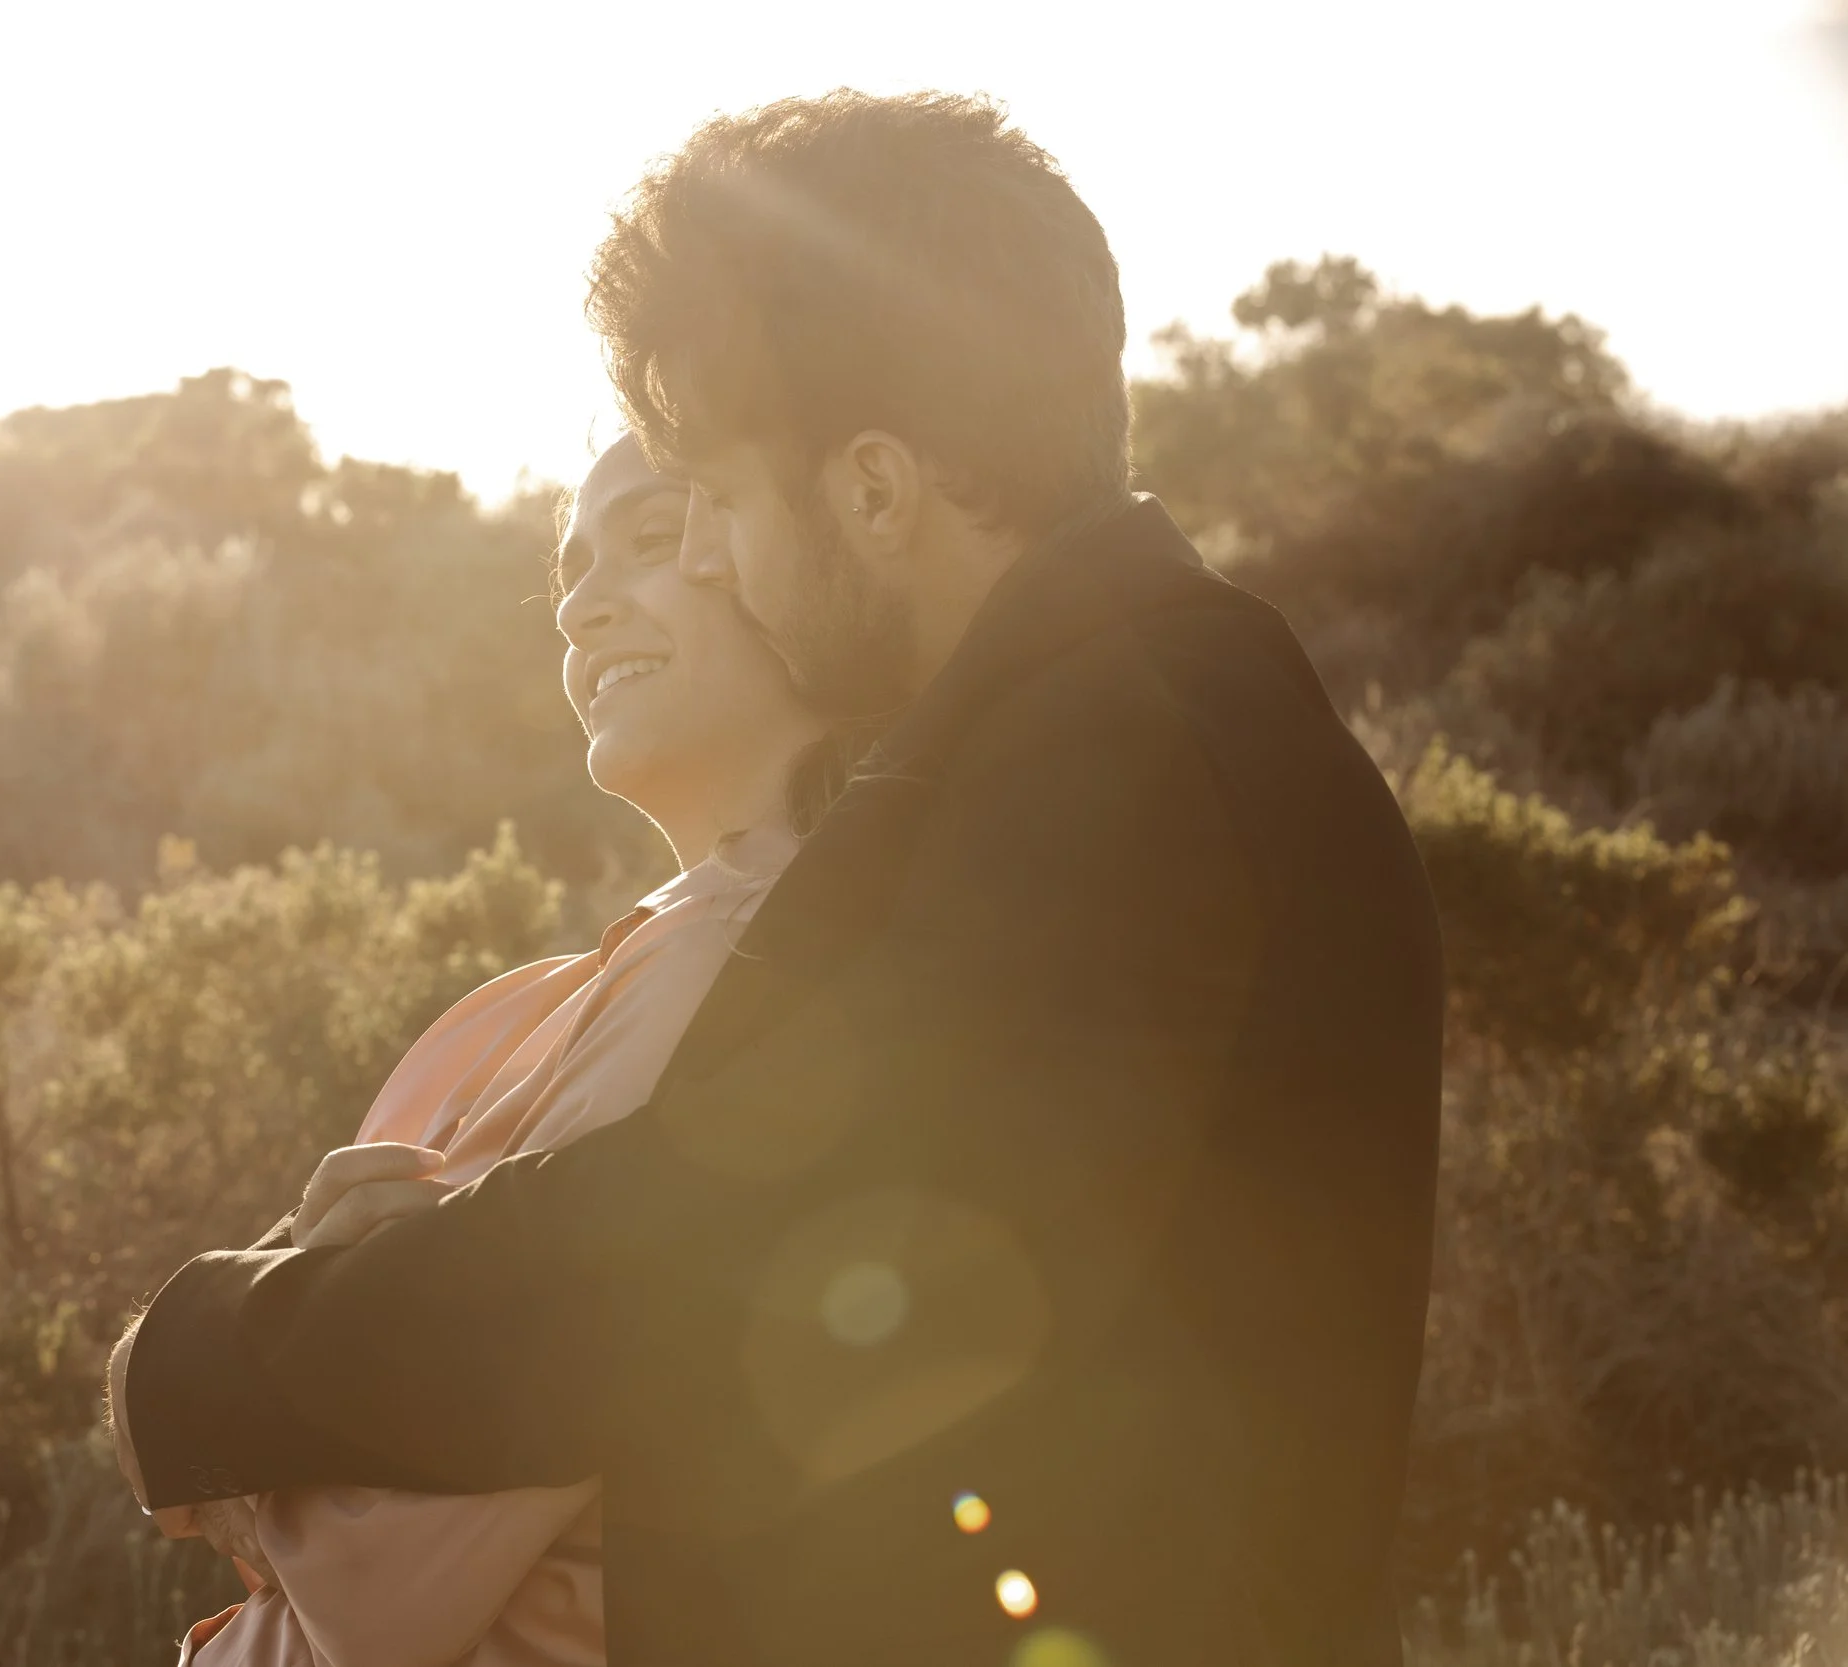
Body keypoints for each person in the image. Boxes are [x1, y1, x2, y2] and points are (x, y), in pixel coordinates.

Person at [115, 89, 1445, 1667]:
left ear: (875, 488)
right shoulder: (1093, 725)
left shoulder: (1137, 755)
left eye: (726, 502)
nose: (716, 559)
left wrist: (218, 1352)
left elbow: (719, 1255)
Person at [107, 435, 829, 1665]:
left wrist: (243, 1415)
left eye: (652, 541)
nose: (583, 606)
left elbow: (385, 1581)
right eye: (570, 570)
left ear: (789, 560)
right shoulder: (614, 971)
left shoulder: (726, 964)